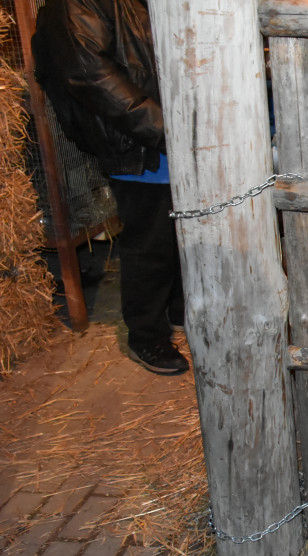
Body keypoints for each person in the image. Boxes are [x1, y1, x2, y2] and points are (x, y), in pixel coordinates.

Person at [32, 0, 188, 375]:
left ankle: (180, 307)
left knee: (183, 228)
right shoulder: (74, 5)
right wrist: (165, 129)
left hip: (176, 135)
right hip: (137, 141)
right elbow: (90, 75)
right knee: (150, 242)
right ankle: (146, 334)